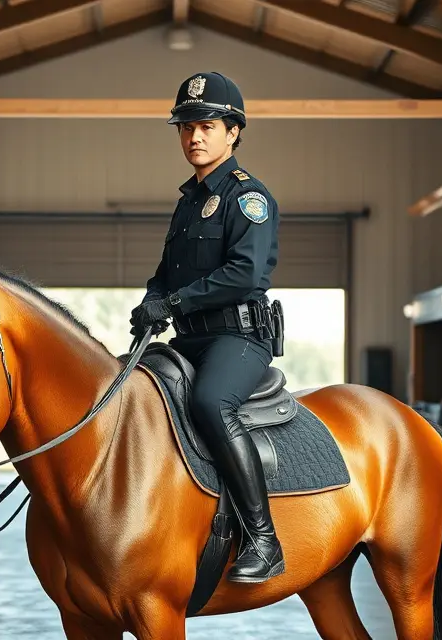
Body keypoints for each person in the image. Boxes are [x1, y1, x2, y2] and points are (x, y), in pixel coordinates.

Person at [129, 71, 284, 584]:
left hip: (238, 338)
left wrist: (172, 301)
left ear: (233, 131)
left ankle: (264, 538)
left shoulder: (248, 198)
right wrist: (152, 301)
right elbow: (165, 274)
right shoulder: (187, 203)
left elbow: (246, 273)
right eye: (186, 127)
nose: (194, 136)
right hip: (189, 339)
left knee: (209, 404)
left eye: (207, 125)